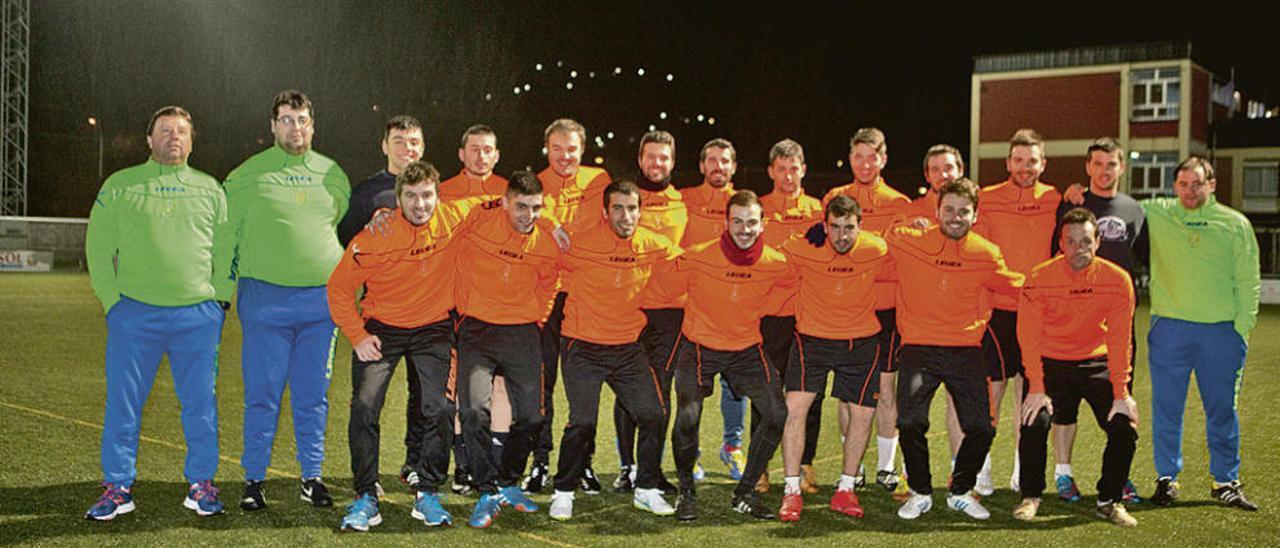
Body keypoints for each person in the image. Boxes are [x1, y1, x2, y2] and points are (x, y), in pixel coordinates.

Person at [84, 106, 232, 520]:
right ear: (149, 139)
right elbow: (98, 248)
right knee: (124, 404)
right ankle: (118, 486)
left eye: (182, 131)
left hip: (196, 318)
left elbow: (226, 249)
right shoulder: (121, 185)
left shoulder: (210, 189)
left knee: (201, 403)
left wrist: (220, 300)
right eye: (165, 131)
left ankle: (201, 484)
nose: (174, 137)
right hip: (135, 315)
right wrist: (112, 302)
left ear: (192, 140)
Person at [327, 161, 486, 531]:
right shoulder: (375, 235)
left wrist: (552, 225)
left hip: (433, 327)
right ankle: (365, 495)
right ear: (398, 199)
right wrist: (358, 335)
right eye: (411, 197)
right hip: (382, 328)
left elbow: (503, 205)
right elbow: (337, 289)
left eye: (427, 195)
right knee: (364, 407)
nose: (420, 204)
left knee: (441, 409)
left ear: (438, 195)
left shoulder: (455, 217)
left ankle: (428, 491)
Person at [224, 90, 349, 511]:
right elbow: (225, 240)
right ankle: (254, 479)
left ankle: (311, 477)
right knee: (263, 392)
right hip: (265, 303)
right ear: (272, 126)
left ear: (313, 124)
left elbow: (341, 233)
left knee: (314, 394)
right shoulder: (246, 176)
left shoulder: (333, 174)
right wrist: (223, 291)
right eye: (286, 119)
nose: (295, 127)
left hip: (320, 305)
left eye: (301, 119)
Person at [653, 190, 796, 521]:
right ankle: (686, 492)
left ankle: (744, 493)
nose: (744, 229)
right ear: (726, 222)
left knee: (776, 413)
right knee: (688, 418)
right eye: (737, 222)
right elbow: (660, 282)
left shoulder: (775, 262)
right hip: (700, 346)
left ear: (763, 225)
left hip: (746, 348)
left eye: (751, 222)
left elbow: (800, 279)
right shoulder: (699, 256)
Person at [889, 178, 1023, 521]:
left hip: (965, 349)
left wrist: (1059, 286)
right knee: (910, 421)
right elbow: (873, 242)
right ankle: (920, 492)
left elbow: (1015, 284)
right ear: (936, 211)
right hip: (918, 347)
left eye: (963, 211)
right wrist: (903, 223)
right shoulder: (910, 241)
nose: (955, 217)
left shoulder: (986, 253)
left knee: (982, 427)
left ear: (975, 215)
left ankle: (960, 491)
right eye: (948, 210)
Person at [551, 180, 679, 519]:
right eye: (618, 208)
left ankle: (647, 488)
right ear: (605, 213)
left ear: (641, 211)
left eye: (632, 208)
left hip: (627, 348)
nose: (626, 215)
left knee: (654, 413)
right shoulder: (579, 244)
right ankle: (563, 490)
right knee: (583, 422)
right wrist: (551, 225)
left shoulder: (654, 245)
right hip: (583, 345)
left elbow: (697, 261)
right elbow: (538, 245)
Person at [1143, 157, 1259, 510]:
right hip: (1170, 329)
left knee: (1222, 409)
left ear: (1212, 184)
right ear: (1174, 186)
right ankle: (1166, 479)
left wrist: (1242, 328)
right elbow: (1109, 203)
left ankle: (1225, 480)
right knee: (1166, 407)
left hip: (1221, 333)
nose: (1190, 191)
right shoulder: (1159, 212)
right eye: (1183, 184)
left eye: (1197, 184)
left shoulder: (1235, 224)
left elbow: (1249, 279)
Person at [1012, 208, 1139, 527]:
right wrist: (1037, 388)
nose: (1078, 248)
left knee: (1124, 426)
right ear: (1060, 244)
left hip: (1095, 362)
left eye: (1085, 240)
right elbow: (1028, 336)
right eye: (1070, 241)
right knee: (1033, 421)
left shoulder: (1117, 279)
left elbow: (1121, 340)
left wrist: (1121, 392)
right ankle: (1031, 496)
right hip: (1050, 362)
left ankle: (1109, 500)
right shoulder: (1040, 277)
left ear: (1098, 241)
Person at [454, 171, 561, 528]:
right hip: (477, 330)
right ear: (504, 203)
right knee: (472, 410)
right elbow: (448, 215)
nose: (527, 215)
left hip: (522, 333)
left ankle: (508, 481)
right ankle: (486, 489)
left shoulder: (546, 242)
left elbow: (549, 285)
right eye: (520, 207)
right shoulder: (479, 220)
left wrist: (537, 320)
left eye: (535, 208)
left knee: (532, 416)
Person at [777, 196, 894, 522]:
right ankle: (791, 491)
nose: (842, 235)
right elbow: (775, 254)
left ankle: (845, 489)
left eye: (849, 228)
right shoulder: (802, 247)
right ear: (824, 226)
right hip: (812, 339)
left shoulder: (877, 249)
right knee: (794, 410)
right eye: (835, 227)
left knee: (862, 414)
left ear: (860, 226)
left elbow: (908, 258)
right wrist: (803, 235)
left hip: (861, 342)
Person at [334, 115, 431, 492]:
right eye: (400, 140)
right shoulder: (365, 195)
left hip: (428, 316)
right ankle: (366, 480)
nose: (408, 148)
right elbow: (347, 245)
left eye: (414, 141)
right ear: (385, 145)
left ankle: (415, 463)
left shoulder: (435, 191)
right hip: (380, 316)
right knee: (366, 402)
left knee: (425, 398)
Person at [1050, 137, 1147, 504]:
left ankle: (1119, 478)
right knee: (1065, 406)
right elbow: (1053, 257)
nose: (1104, 171)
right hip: (1071, 323)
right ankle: (1063, 475)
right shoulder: (1072, 203)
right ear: (1087, 167)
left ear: (1122, 168)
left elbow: (1143, 260)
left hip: (1116, 327)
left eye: (1112, 164)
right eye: (1098, 164)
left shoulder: (1134, 211)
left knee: (1120, 401)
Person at [524, 119, 612, 494]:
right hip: (544, 297)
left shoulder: (599, 180)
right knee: (542, 383)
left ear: (583, 149)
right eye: (557, 148)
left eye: (571, 148)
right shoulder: (533, 184)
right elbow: (518, 213)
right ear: (547, 148)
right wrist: (547, 220)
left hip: (586, 296)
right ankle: (540, 462)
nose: (565, 156)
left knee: (583, 387)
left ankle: (582, 464)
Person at [820, 128, 910, 493]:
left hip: (885, 310)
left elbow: (900, 258)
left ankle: (887, 467)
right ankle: (851, 466)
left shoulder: (899, 203)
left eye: (872, 156)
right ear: (850, 158)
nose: (865, 163)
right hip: (847, 310)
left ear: (884, 159)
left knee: (887, 390)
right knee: (848, 391)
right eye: (859, 156)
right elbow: (820, 246)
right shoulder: (834, 197)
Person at [971, 129, 1061, 495]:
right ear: (1009, 163)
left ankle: (1024, 471)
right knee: (991, 394)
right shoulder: (987, 199)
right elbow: (981, 256)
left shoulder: (1055, 198)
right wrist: (1024, 284)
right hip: (999, 312)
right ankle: (981, 470)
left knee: (1033, 395)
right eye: (1019, 161)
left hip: (1039, 315)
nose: (1025, 168)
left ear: (1043, 164)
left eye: (1032, 161)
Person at [438, 124, 512, 495]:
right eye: (474, 149)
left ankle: (494, 465)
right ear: (461, 153)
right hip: (457, 305)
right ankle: (464, 465)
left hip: (500, 307)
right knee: (461, 388)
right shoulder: (443, 193)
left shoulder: (508, 193)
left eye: (488, 149)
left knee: (499, 386)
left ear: (497, 155)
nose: (481, 156)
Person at [614, 131, 686, 495]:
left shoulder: (683, 203)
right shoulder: (624, 198)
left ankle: (652, 469)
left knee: (660, 390)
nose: (657, 164)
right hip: (629, 308)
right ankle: (627, 468)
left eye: (664, 157)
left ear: (672, 161)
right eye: (650, 156)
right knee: (627, 390)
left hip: (670, 314)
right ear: (640, 159)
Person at [755, 139, 822, 494]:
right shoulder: (760, 209)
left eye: (793, 168)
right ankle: (760, 465)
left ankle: (806, 463)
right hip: (769, 317)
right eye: (781, 169)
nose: (787, 175)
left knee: (809, 393)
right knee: (766, 391)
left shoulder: (818, 210)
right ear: (771, 171)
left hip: (810, 316)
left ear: (803, 170)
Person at [680, 138, 749, 482]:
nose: (718, 167)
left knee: (736, 387)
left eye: (724, 161)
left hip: (736, 312)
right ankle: (690, 452)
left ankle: (732, 447)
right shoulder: (685, 200)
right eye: (712, 160)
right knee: (693, 388)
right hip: (695, 312)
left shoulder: (743, 205)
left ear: (734, 167)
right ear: (702, 166)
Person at [899, 144, 969, 465]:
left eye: (949, 168)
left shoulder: (974, 209)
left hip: (963, 327)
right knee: (912, 411)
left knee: (961, 404)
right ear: (927, 175)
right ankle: (907, 475)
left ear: (961, 170)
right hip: (920, 329)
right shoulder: (910, 212)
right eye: (937, 169)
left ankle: (961, 472)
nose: (944, 174)